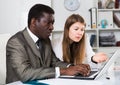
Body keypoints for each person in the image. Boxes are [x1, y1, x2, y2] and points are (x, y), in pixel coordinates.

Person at [6, 4, 91, 84]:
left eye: (52, 23)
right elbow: (25, 73)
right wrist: (64, 71)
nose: (52, 27)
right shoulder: (15, 42)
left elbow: (54, 62)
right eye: (48, 23)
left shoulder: (45, 40)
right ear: (33, 22)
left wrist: (74, 67)